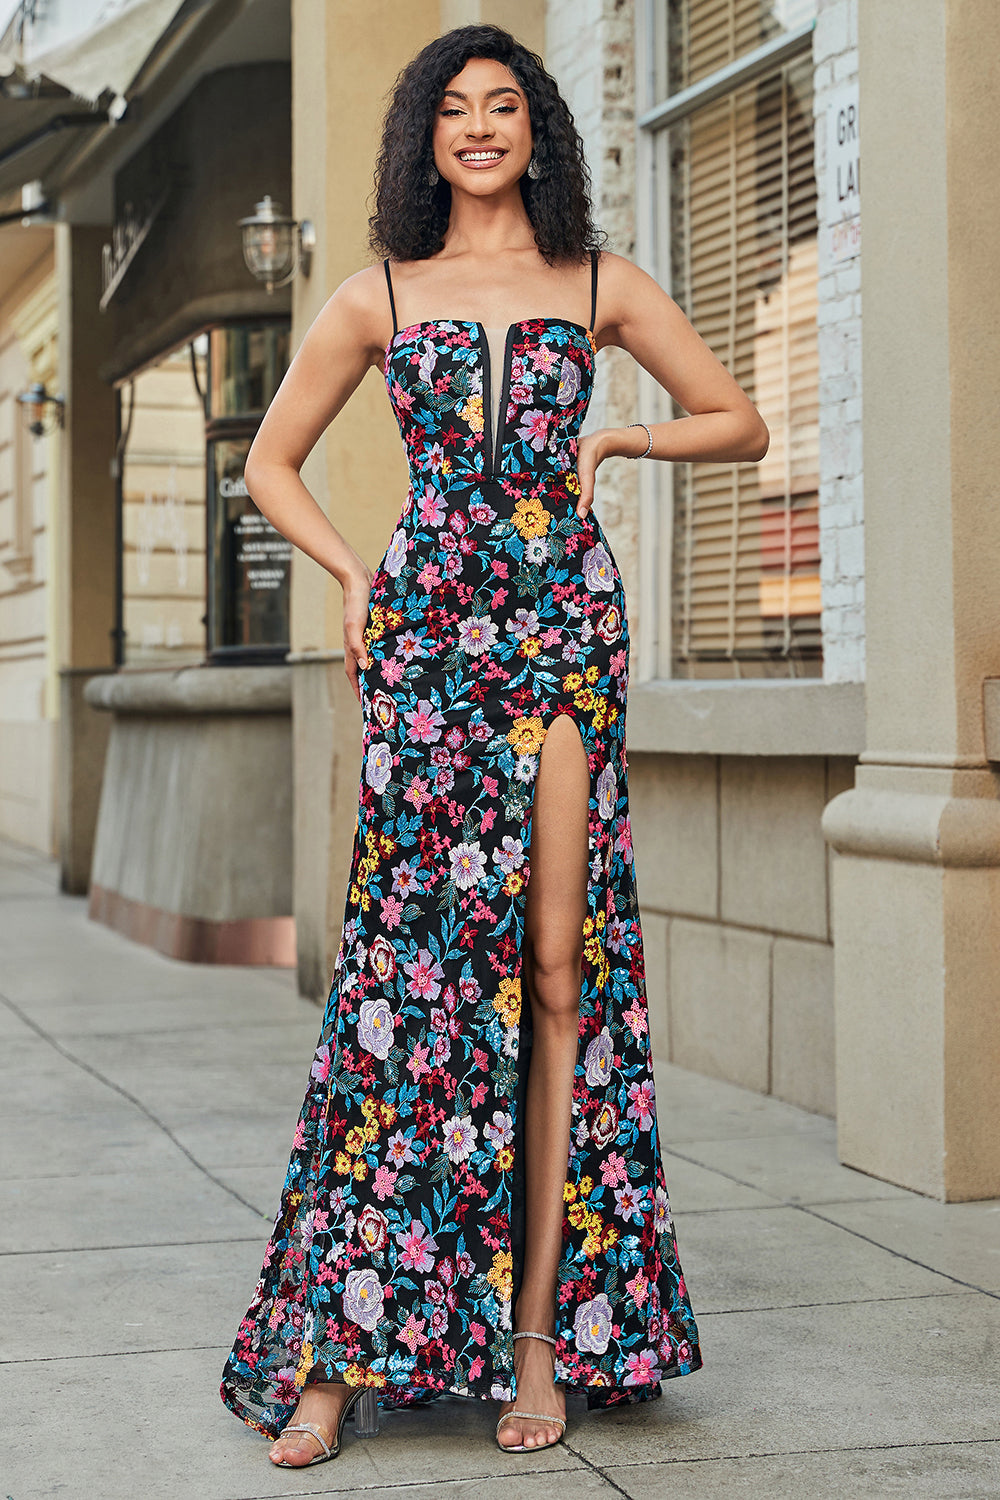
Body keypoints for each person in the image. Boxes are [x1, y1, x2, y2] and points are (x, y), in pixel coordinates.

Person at [220, 22, 768, 1470]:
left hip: (564, 641)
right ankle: (341, 1346)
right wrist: (352, 576)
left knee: (552, 973)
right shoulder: (379, 293)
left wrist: (615, 449)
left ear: (538, 133)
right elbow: (269, 464)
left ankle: (537, 1336)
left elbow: (741, 419)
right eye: (455, 111)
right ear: (427, 138)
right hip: (426, 647)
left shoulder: (597, 284)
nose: (479, 128)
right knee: (401, 977)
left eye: (504, 107)